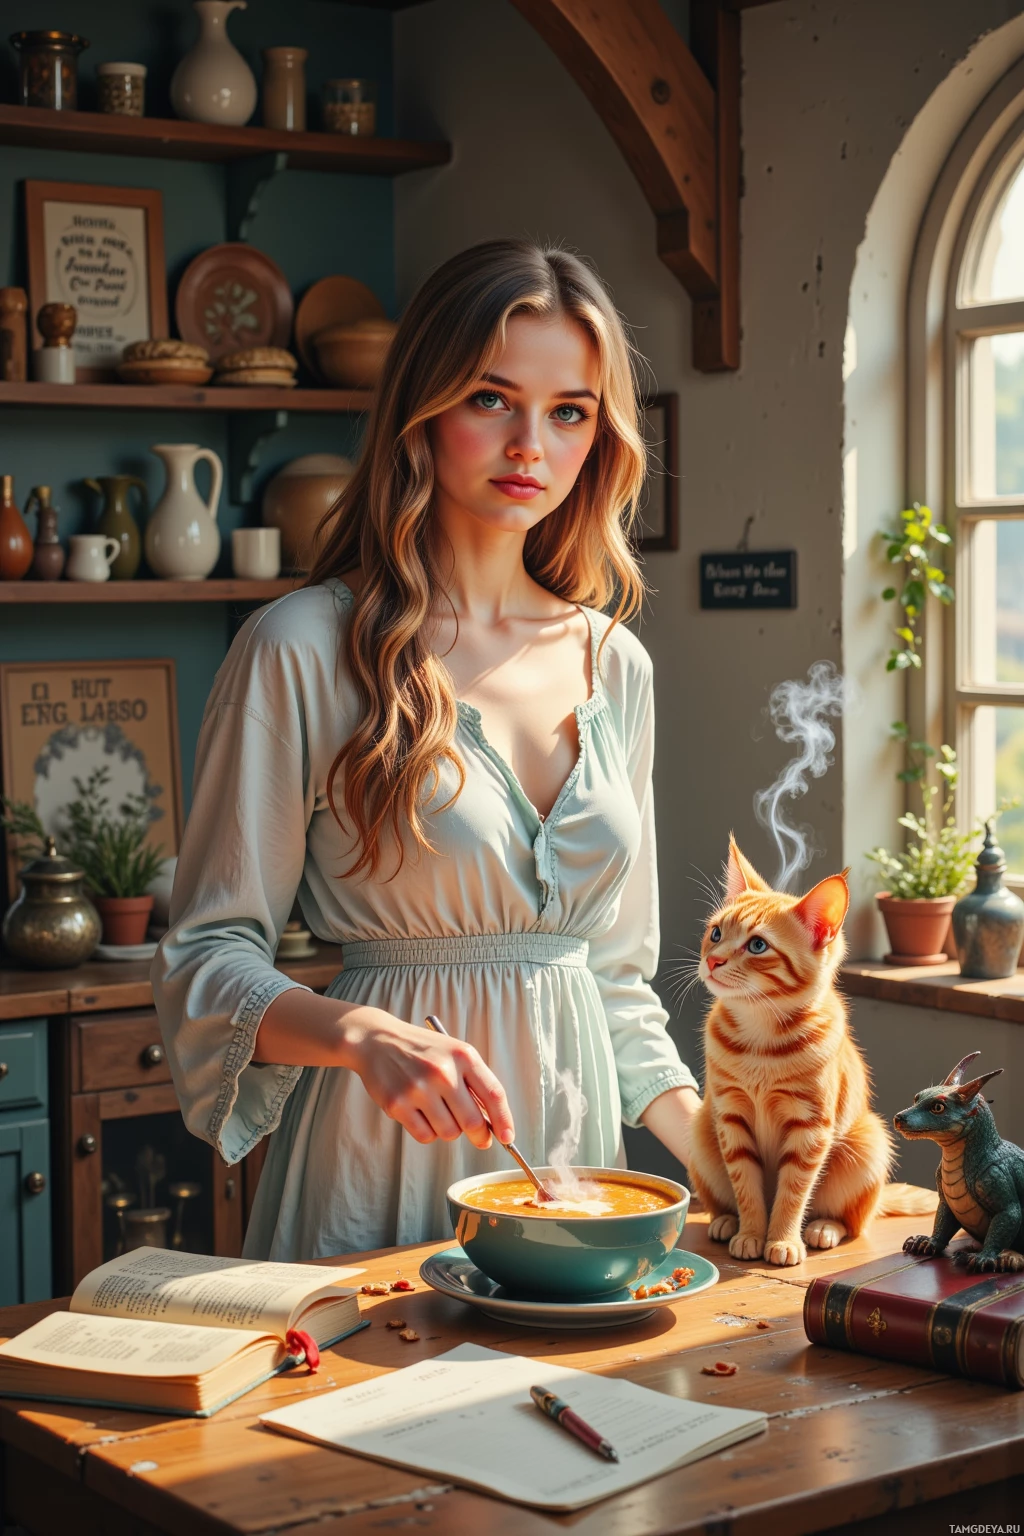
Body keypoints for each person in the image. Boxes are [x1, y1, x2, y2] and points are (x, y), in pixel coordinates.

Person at [152, 239, 701, 1262]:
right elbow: (204, 962)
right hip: (371, 1157)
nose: (529, 444)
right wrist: (358, 1036)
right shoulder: (304, 648)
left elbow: (617, 980)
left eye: (569, 411)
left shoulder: (614, 664)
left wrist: (718, 1157)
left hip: (570, 1173)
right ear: (422, 408)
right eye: (491, 400)